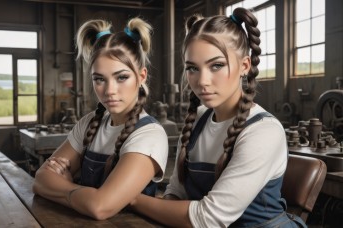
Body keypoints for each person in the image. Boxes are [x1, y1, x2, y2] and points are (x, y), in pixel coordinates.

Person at [129, 7, 307, 227]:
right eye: (192, 68)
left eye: (217, 65)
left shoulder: (264, 131)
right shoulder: (199, 119)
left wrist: (133, 199)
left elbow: (208, 218)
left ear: (244, 66)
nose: (202, 81)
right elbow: (176, 191)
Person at [32, 17, 168, 220]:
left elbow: (100, 207)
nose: (110, 90)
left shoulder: (150, 134)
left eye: (121, 77)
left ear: (141, 76)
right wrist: (83, 196)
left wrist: (66, 185)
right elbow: (41, 179)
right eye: (99, 79)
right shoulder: (88, 124)